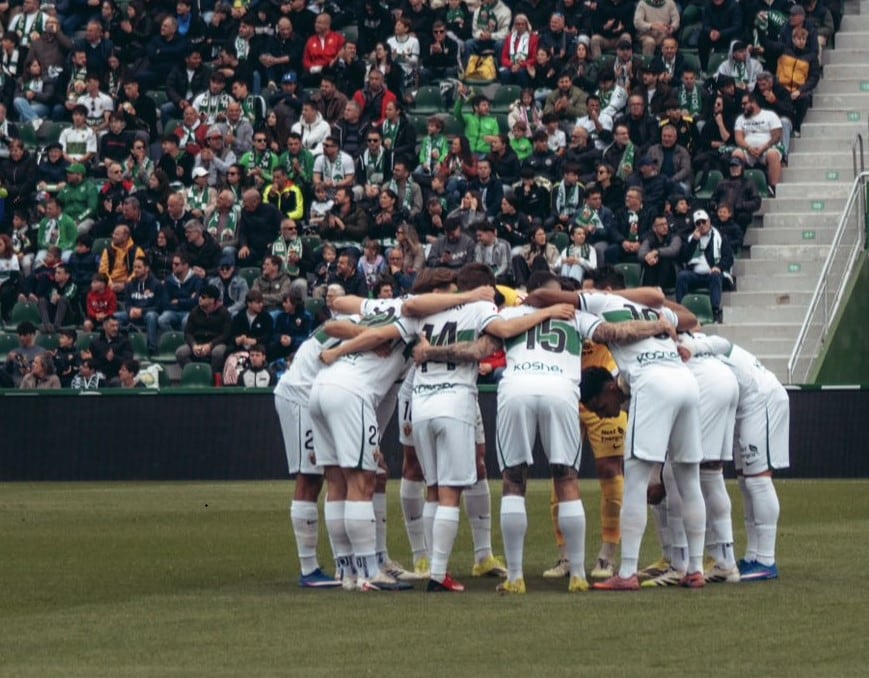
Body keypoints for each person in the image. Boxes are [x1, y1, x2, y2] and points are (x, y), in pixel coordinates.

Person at [527, 269, 705, 590]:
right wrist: (637, 298)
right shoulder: (651, 309)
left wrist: (594, 299)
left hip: (651, 381)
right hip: (685, 380)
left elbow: (540, 296)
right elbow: (690, 319)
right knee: (688, 478)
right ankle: (695, 568)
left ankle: (626, 572)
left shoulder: (597, 301)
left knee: (635, 480)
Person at [681, 332, 790, 581]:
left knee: (758, 481)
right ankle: (753, 556)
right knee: (745, 482)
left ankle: (766, 559)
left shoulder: (700, 342)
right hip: (746, 404)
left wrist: (694, 346)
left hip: (761, 398)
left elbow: (724, 343)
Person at [676, 209, 734, 324]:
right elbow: (683, 257)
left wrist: (719, 266)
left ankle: (715, 310)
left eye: (704, 222)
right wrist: (693, 241)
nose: (702, 225)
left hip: (712, 274)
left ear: (709, 222)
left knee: (715, 275)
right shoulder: (691, 238)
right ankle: (680, 310)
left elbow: (728, 258)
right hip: (695, 275)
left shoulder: (720, 237)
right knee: (682, 276)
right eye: (698, 223)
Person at [176, 283, 231, 374]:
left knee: (218, 353)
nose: (200, 299)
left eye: (203, 297)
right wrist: (194, 345)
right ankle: (194, 374)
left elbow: (225, 334)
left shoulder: (224, 313)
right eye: (200, 296)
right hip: (198, 342)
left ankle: (212, 376)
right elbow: (188, 333)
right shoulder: (194, 311)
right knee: (180, 353)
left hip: (216, 343)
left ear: (212, 300)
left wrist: (210, 345)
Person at [157, 252, 202, 333]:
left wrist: (178, 301)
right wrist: (187, 300)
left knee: (186, 321)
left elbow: (196, 302)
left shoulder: (196, 280)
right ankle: (174, 339)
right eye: (173, 264)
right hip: (173, 311)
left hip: (189, 312)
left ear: (186, 265)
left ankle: (184, 342)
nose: (173, 266)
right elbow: (164, 302)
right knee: (162, 320)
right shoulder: (169, 280)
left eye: (177, 264)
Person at [99, 224, 145, 295]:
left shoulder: (137, 251)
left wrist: (125, 285)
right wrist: (111, 285)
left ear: (125, 237)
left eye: (117, 235)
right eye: (113, 234)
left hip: (129, 284)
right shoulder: (107, 251)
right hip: (110, 284)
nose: (113, 236)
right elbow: (103, 271)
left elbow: (138, 271)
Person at [638, 214, 681, 289]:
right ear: (654, 228)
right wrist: (649, 258)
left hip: (671, 273)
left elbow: (674, 250)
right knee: (649, 262)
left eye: (665, 224)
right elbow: (641, 253)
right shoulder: (650, 238)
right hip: (653, 272)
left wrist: (657, 252)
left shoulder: (674, 237)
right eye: (661, 225)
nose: (665, 227)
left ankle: (658, 288)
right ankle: (649, 290)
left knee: (664, 259)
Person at [2, 321, 46, 388]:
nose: (22, 338)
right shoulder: (14, 351)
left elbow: (44, 372)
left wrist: (26, 365)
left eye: (25, 335)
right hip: (14, 383)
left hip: (33, 382)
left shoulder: (41, 352)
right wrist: (9, 360)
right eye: (20, 335)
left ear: (32, 334)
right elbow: (5, 371)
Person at [88, 315, 133, 383]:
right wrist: (89, 359)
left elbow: (128, 361)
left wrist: (114, 358)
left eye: (117, 326)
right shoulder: (95, 343)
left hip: (117, 376)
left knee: (115, 382)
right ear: (104, 326)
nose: (115, 328)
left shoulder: (124, 342)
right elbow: (93, 363)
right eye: (112, 326)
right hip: (98, 376)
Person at [230, 288, 274, 354]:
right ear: (249, 304)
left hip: (258, 348)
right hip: (241, 348)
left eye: (261, 302)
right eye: (257, 303)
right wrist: (237, 339)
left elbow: (269, 335)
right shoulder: (239, 317)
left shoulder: (266, 317)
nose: (261, 305)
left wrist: (256, 340)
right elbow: (232, 335)